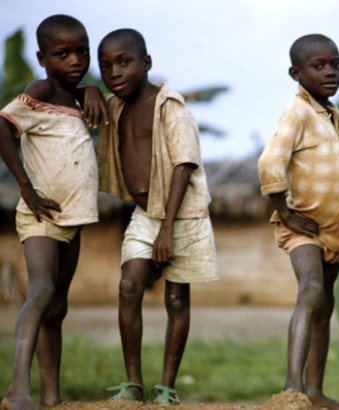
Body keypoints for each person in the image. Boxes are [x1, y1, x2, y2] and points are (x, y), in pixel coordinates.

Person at [96, 29, 218, 405]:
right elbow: (74, 103)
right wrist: (86, 92)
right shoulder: (113, 106)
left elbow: (184, 163)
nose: (115, 72)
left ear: (146, 64)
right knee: (129, 286)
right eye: (106, 66)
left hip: (183, 216)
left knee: (177, 300)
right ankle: (133, 383)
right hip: (146, 214)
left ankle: (166, 387)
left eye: (124, 62)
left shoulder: (170, 106)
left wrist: (167, 229)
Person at [0, 15, 107, 410]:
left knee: (58, 305)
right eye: (62, 54)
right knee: (42, 290)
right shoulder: (40, 89)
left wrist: (92, 88)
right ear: (42, 58)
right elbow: (2, 125)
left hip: (73, 219)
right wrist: (26, 188)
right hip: (41, 215)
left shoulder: (77, 97)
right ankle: (16, 390)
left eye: (82, 52)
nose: (75, 61)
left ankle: (51, 397)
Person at [257, 34, 339, 408]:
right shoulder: (297, 112)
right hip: (304, 227)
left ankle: (314, 391)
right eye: (319, 66)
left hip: (333, 232)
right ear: (295, 73)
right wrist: (285, 213)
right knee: (311, 290)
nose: (330, 71)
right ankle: (292, 390)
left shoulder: (328, 112)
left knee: (324, 305)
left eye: (335, 64)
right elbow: (269, 162)